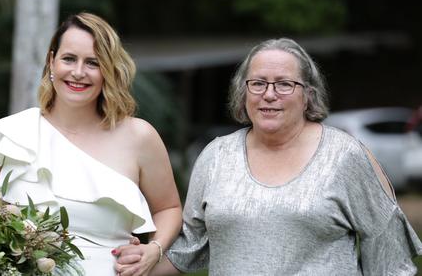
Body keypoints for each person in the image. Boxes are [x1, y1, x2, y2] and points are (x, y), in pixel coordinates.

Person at [115, 38, 422, 275]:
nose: (269, 94)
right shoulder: (217, 156)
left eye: (285, 84)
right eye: (258, 83)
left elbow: (391, 259)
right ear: (243, 92)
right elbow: (190, 248)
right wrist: (143, 257)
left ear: (308, 95)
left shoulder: (344, 156)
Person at [0, 12, 182, 275]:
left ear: (108, 70)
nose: (78, 72)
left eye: (93, 63)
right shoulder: (8, 137)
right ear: (51, 62)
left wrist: (154, 249)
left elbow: (169, 207)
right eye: (69, 59)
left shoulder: (139, 137)